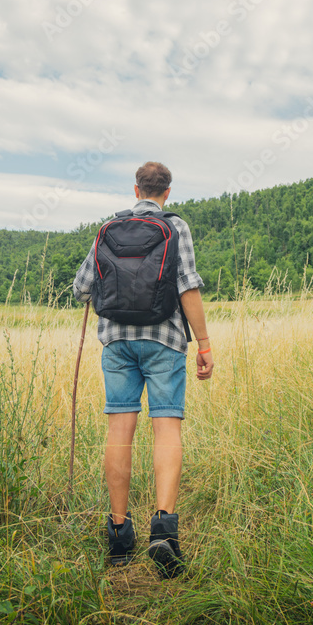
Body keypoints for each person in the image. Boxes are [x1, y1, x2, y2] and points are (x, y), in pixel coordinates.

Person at [72, 161, 214, 578]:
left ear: (135, 189)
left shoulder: (107, 228)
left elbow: (82, 287)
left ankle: (118, 534)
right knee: (166, 426)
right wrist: (203, 343)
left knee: (119, 431)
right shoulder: (176, 226)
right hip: (164, 341)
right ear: (167, 192)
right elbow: (187, 285)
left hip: (116, 342)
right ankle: (164, 532)